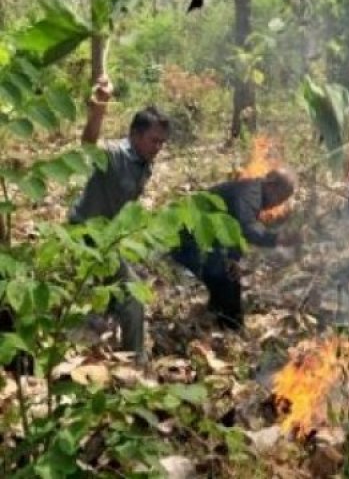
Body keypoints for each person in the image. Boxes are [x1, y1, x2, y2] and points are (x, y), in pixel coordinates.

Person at [69, 75, 170, 360]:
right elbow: (89, 144)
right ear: (135, 135)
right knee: (134, 298)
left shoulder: (145, 164)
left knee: (107, 301)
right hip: (86, 235)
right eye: (153, 141)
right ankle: (134, 365)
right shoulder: (116, 155)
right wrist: (99, 108)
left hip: (109, 238)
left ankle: (91, 343)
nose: (158, 148)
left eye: (162, 143)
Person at [171, 168, 299, 329]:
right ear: (271, 185)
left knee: (228, 278)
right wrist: (276, 239)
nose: (279, 203)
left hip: (198, 239)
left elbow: (234, 230)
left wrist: (234, 259)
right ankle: (228, 329)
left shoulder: (251, 192)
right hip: (185, 239)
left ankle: (216, 322)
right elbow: (246, 228)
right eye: (281, 197)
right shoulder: (250, 193)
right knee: (224, 279)